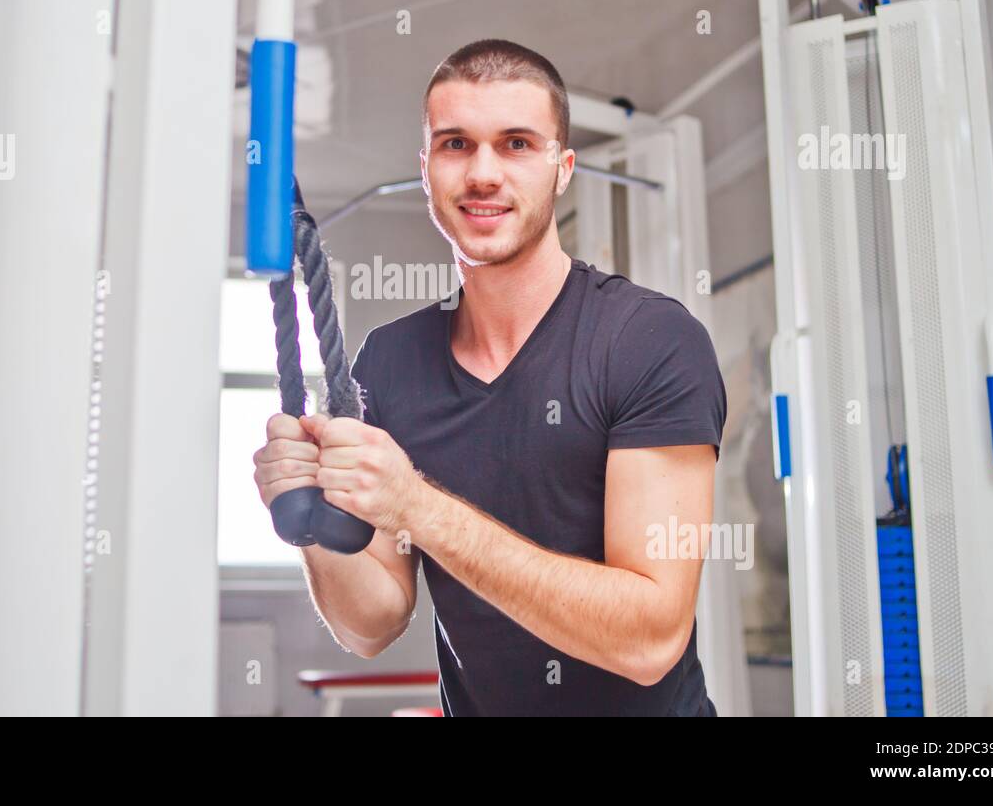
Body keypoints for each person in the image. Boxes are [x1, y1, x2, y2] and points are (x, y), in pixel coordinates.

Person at [253, 38, 726, 716]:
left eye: (516, 144)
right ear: (425, 169)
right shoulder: (389, 362)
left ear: (562, 168)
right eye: (455, 144)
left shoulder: (650, 342)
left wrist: (417, 505)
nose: (482, 173)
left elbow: (649, 638)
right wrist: (307, 514)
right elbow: (372, 623)